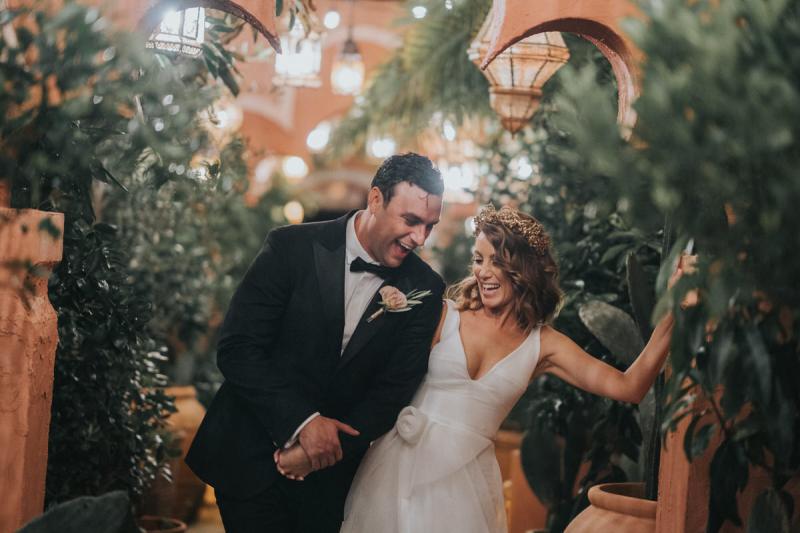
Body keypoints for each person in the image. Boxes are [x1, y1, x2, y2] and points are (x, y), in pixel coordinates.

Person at [276, 205, 694, 533]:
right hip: (395, 472)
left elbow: (631, 386)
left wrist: (676, 305)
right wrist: (310, 443)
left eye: (498, 261)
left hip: (464, 488)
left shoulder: (543, 344)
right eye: (479, 259)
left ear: (525, 269)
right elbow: (374, 384)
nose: (484, 272)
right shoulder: (442, 315)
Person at [185, 153, 446, 533]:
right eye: (410, 221)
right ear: (375, 200)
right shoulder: (289, 248)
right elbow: (239, 348)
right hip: (252, 455)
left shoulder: (425, 287)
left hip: (331, 482)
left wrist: (319, 453)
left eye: (430, 226)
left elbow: (392, 392)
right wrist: (302, 424)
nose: (419, 238)